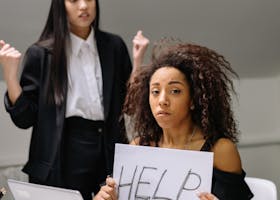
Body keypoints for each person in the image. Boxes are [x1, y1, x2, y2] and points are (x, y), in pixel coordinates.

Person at [0, 0, 148, 200]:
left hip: (108, 145)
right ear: (60, 6)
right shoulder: (41, 53)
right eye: (73, 0)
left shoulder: (113, 46)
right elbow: (25, 119)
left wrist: (137, 63)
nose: (84, 6)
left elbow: (129, 107)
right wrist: (10, 76)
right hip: (62, 150)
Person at [93, 38, 254, 200]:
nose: (162, 100)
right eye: (155, 91)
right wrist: (104, 197)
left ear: (193, 100)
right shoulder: (139, 146)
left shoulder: (220, 150)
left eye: (175, 91)